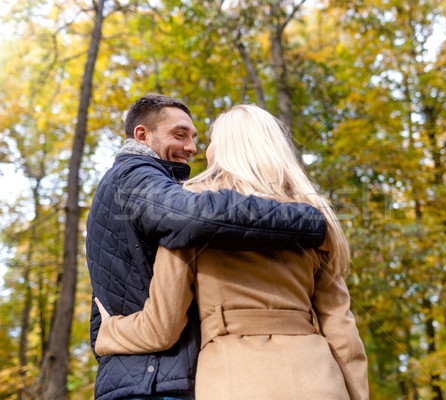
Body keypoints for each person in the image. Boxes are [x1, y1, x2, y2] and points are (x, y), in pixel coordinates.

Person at [94, 104, 369, 400]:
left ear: (226, 147)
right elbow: (342, 332)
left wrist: (108, 331)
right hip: (318, 379)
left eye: (210, 140)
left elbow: (163, 327)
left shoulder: (191, 204)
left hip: (233, 380)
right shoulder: (313, 213)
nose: (201, 149)